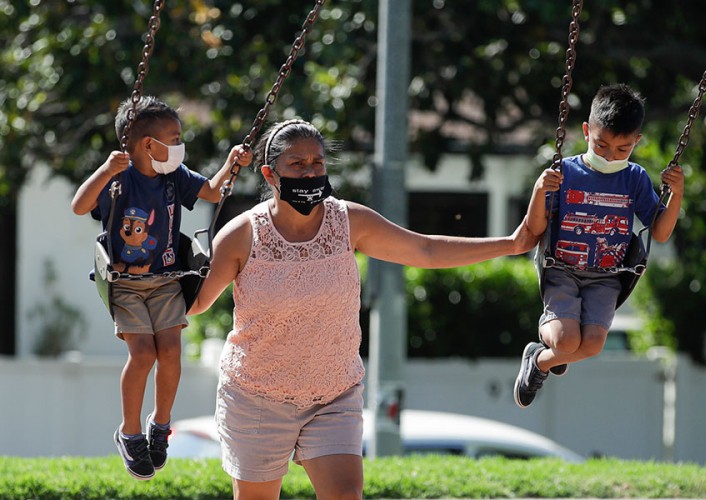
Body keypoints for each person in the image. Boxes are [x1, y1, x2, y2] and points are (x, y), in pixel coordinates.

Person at [188, 118, 539, 500]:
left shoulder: (348, 221)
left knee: (346, 495)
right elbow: (197, 303)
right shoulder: (241, 235)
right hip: (256, 394)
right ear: (270, 173)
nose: (310, 172)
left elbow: (424, 250)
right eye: (298, 165)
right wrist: (139, 283)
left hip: (333, 393)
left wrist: (511, 242)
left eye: (318, 163)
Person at [71, 96, 252, 480]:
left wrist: (230, 164)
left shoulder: (176, 176)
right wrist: (105, 170)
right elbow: (79, 205)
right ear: (147, 144)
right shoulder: (118, 179)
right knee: (142, 355)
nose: (179, 145)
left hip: (168, 280)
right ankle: (130, 432)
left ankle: (160, 424)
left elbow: (214, 192)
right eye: (174, 137)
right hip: (127, 284)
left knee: (169, 351)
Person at [513, 83, 685, 409]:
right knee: (566, 341)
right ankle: (549, 345)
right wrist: (539, 190)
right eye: (601, 144)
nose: (609, 156)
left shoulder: (633, 178)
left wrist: (676, 194)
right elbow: (535, 229)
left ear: (637, 142)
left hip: (607, 275)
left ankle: (540, 362)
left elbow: (660, 232)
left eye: (622, 150)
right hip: (562, 268)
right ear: (586, 131)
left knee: (591, 345)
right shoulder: (565, 172)